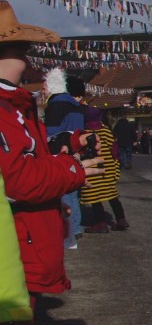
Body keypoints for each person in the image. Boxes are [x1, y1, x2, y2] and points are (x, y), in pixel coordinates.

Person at [0, 2, 102, 325]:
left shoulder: (18, 106)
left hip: (20, 250)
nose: (31, 62)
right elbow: (19, 179)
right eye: (20, 51)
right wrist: (72, 170)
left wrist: (58, 157)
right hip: (9, 254)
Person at [42, 69, 86, 250]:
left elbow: (50, 133)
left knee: (64, 192)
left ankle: (69, 228)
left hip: (60, 150)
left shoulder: (56, 105)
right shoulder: (74, 105)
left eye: (45, 85)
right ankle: (76, 226)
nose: (43, 89)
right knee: (73, 190)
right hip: (76, 150)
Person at [80, 108, 129, 232]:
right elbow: (114, 150)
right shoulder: (106, 131)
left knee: (95, 197)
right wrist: (116, 164)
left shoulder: (84, 133)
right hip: (108, 168)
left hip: (92, 169)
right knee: (112, 196)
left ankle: (100, 224)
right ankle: (121, 220)